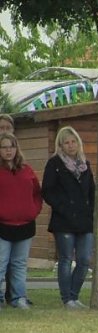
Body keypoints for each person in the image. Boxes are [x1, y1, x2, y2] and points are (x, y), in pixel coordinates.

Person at [41, 126, 95, 310]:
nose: (71, 145)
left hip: (84, 220)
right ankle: (67, 298)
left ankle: (74, 295)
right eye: (67, 142)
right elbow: (47, 191)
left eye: (73, 141)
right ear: (61, 145)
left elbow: (92, 191)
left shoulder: (85, 164)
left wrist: (91, 210)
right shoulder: (55, 164)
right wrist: (63, 207)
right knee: (65, 258)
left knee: (84, 259)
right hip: (64, 220)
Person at [0, 133, 42, 310]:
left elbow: (37, 194)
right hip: (2, 226)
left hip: (25, 225)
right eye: (4, 147)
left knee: (19, 264)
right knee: (1, 263)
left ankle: (19, 298)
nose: (8, 150)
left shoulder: (27, 170)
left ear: (16, 148)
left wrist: (33, 211)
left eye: (11, 146)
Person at [0, 114, 15, 305]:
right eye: (0, 128)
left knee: (15, 262)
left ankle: (14, 295)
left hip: (15, 220)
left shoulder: (18, 159)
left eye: (7, 128)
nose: (4, 131)